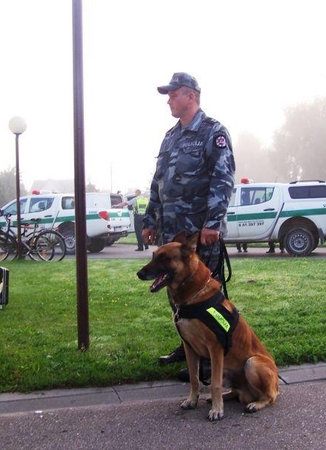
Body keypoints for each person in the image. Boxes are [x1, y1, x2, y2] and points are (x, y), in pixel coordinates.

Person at [142, 72, 235, 370]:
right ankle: (190, 346)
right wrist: (149, 220)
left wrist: (212, 223)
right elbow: (159, 182)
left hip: (199, 235)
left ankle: (215, 355)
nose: (168, 99)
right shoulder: (170, 137)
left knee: (207, 295)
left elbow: (223, 179)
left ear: (190, 96)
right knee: (178, 295)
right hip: (170, 233)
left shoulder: (212, 132)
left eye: (173, 94)